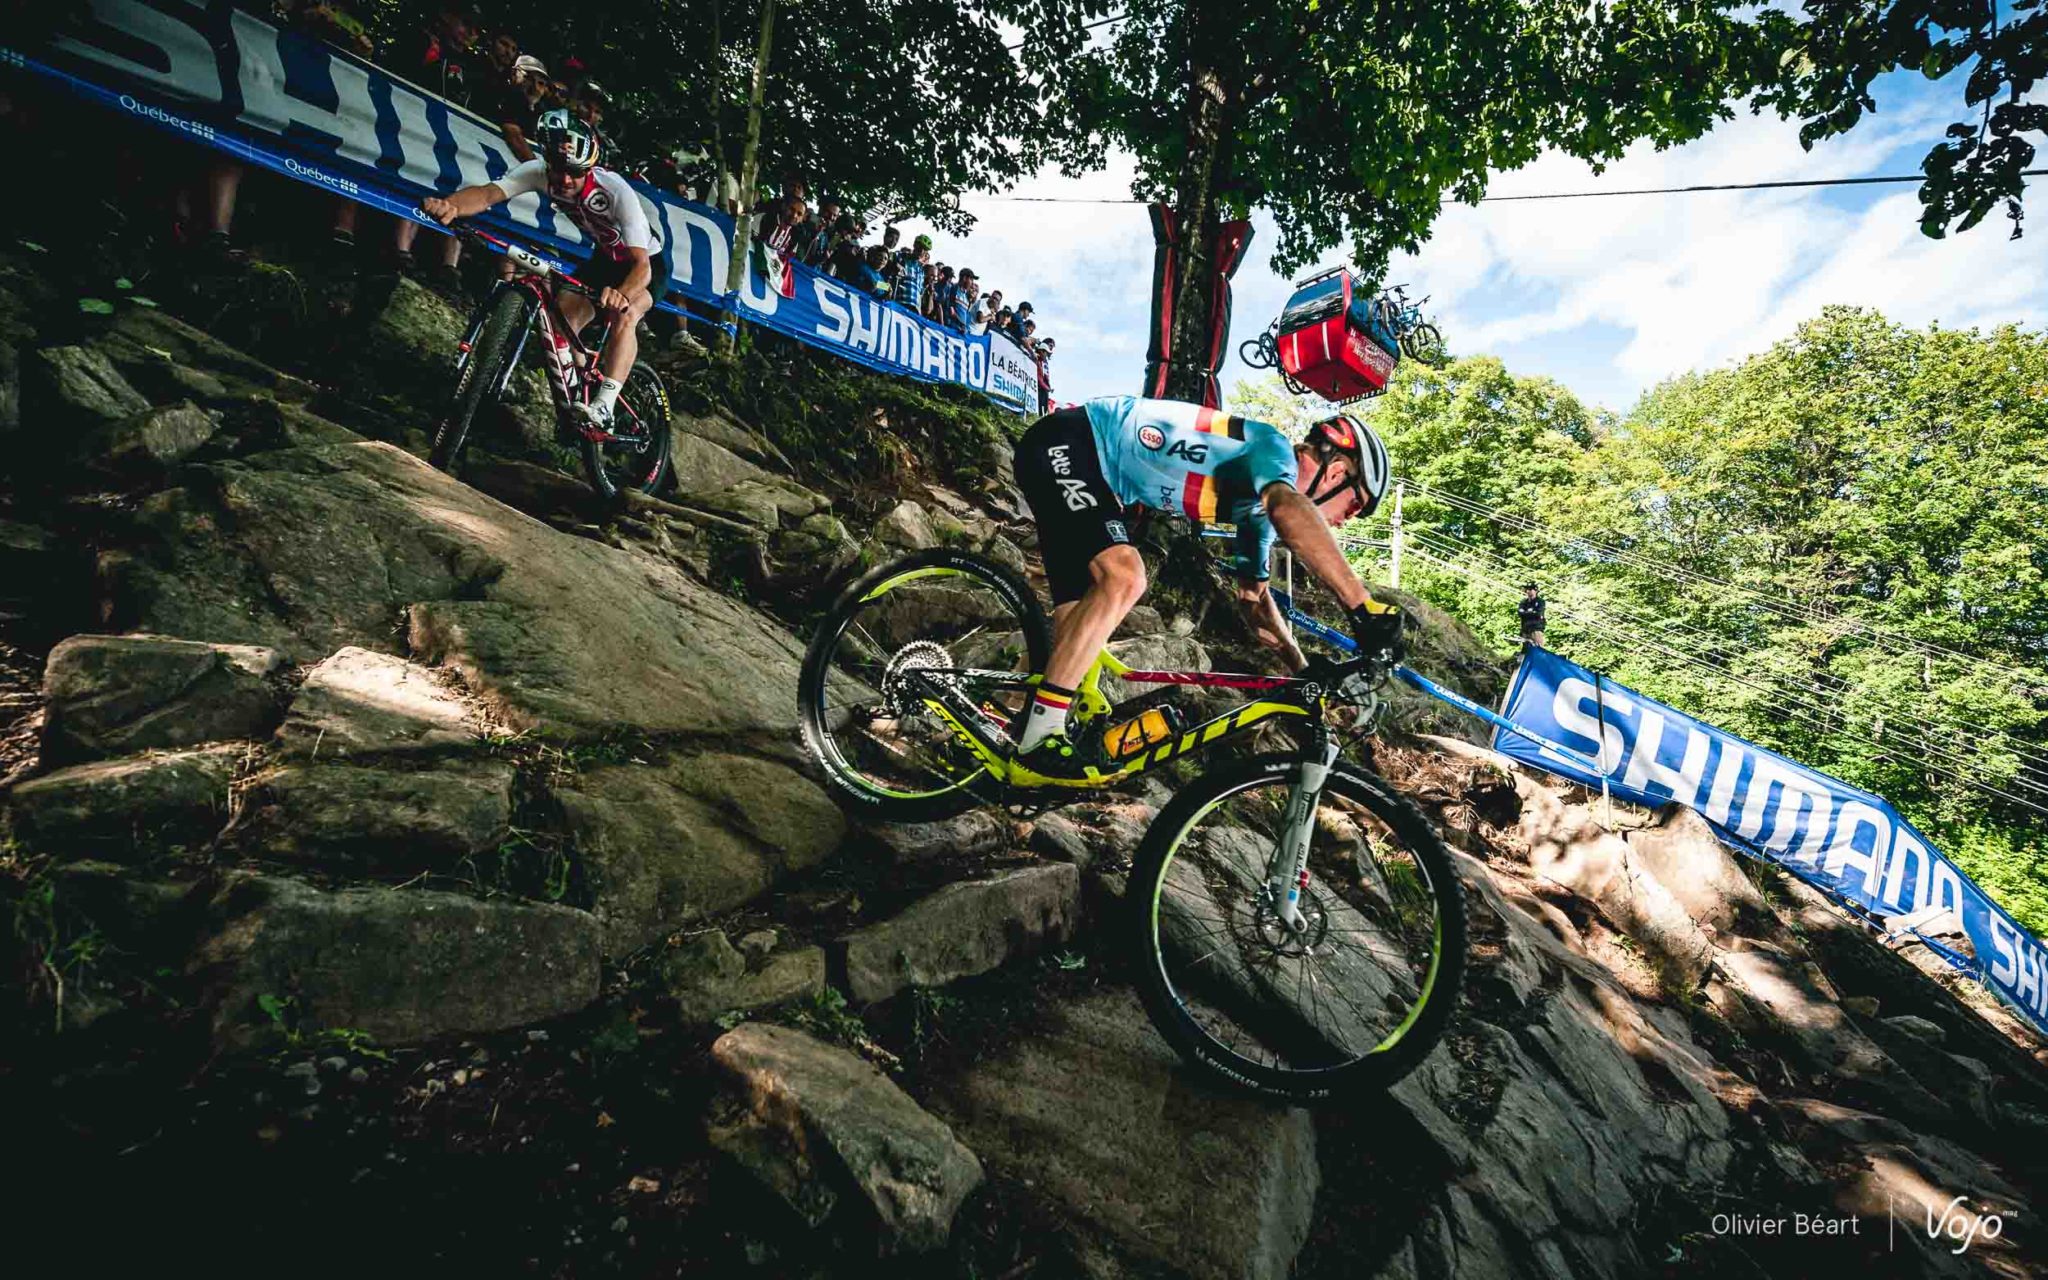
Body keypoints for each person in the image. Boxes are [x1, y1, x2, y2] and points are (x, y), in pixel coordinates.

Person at [1008, 399, 1404, 783]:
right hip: (1070, 442)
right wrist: (1362, 606)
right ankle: (1040, 738)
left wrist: (1301, 668)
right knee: (1123, 577)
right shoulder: (1273, 450)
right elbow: (1289, 511)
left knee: (1072, 631)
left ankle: (999, 734)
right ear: (1335, 473)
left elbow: (1255, 602)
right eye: (1354, 507)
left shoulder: (1259, 509)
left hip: (1092, 475)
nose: (1345, 521)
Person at [421, 110, 667, 434]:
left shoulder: (614, 190)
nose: (565, 180)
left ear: (590, 169)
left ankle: (605, 406)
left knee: (626, 314)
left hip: (646, 263)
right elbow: (487, 193)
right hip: (604, 258)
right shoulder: (538, 171)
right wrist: (450, 205)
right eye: (559, 170)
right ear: (548, 162)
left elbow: (641, 266)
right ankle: (579, 391)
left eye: (575, 173)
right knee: (562, 323)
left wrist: (622, 293)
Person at [1519, 583, 1547, 649]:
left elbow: (1538, 613)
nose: (1528, 591)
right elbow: (1520, 613)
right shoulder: (1524, 602)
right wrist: (1530, 612)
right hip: (1525, 628)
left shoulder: (1540, 601)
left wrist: (1527, 612)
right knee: (1526, 649)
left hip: (1536, 628)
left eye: (1530, 589)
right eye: (1527, 590)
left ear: (1535, 591)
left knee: (1538, 648)